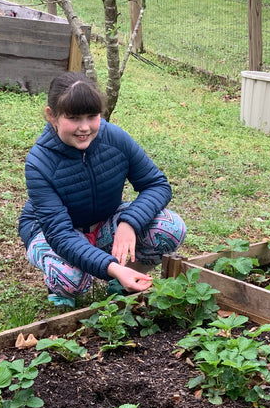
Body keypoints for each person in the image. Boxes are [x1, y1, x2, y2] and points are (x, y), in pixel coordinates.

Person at [18, 72, 186, 307]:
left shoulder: (115, 139)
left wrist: (129, 223)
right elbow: (60, 234)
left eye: (92, 116)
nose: (84, 127)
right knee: (71, 279)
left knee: (170, 228)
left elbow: (156, 184)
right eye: (74, 117)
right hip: (53, 233)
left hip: (103, 222)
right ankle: (62, 289)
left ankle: (125, 280)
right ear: (51, 116)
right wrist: (112, 267)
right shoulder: (39, 162)